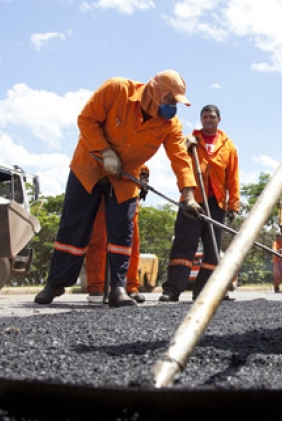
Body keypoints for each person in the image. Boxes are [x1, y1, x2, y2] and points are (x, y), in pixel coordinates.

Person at [34, 70, 202, 307]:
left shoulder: (170, 124)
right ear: (155, 91)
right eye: (170, 100)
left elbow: (179, 158)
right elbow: (86, 120)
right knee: (74, 227)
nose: (172, 107)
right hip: (89, 167)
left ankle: (118, 288)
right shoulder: (116, 90)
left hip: (125, 177)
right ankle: (55, 284)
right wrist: (106, 152)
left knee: (123, 231)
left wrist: (188, 194)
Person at [159, 104, 240, 302]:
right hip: (193, 200)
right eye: (204, 117)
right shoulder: (191, 141)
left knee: (213, 250)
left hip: (216, 203)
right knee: (183, 245)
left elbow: (233, 178)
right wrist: (185, 146)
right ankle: (172, 290)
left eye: (211, 116)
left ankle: (206, 291)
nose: (208, 120)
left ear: (218, 119)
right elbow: (179, 162)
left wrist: (234, 205)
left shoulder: (228, 145)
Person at [84, 166, 149, 305]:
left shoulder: (135, 148)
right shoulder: (100, 147)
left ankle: (130, 287)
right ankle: (97, 287)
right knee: (98, 242)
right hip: (102, 196)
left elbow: (141, 163)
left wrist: (143, 177)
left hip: (128, 197)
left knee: (131, 244)